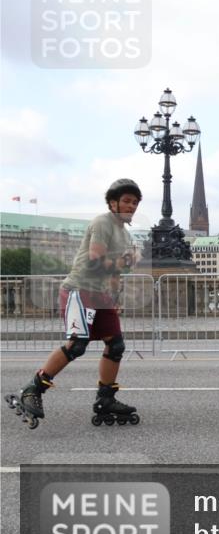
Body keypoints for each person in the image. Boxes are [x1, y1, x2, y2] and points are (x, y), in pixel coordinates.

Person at [17, 179, 143, 426]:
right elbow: (96, 260)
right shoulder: (102, 222)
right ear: (112, 202)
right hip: (79, 290)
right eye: (127, 201)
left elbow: (115, 273)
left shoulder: (125, 233)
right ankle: (32, 390)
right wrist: (126, 261)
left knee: (116, 345)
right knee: (77, 345)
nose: (131, 206)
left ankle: (105, 399)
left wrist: (115, 297)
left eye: (135, 203)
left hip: (100, 295)